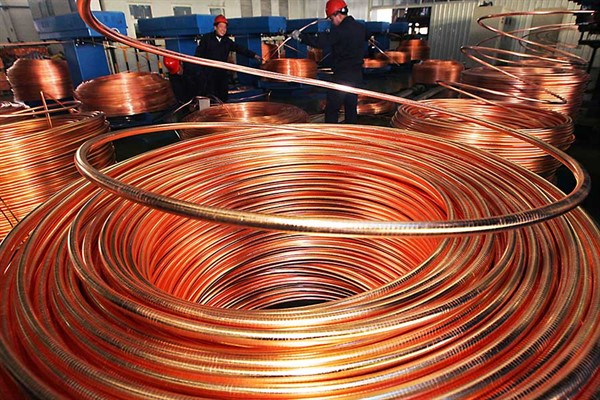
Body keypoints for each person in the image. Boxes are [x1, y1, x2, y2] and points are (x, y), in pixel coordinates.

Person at [291, 0, 366, 124]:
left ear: (337, 14)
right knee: (350, 107)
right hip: (356, 76)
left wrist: (301, 37)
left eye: (331, 18)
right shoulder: (360, 27)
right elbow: (367, 36)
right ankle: (352, 131)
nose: (332, 22)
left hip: (342, 77)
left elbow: (320, 42)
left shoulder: (340, 30)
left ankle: (331, 133)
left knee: (332, 108)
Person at [194, 14, 263, 102]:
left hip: (222, 73)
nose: (223, 29)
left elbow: (239, 49)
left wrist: (254, 55)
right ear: (215, 27)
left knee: (223, 96)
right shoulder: (206, 39)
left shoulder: (226, 41)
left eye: (225, 27)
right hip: (208, 74)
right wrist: (200, 72)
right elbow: (198, 55)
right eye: (221, 27)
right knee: (210, 96)